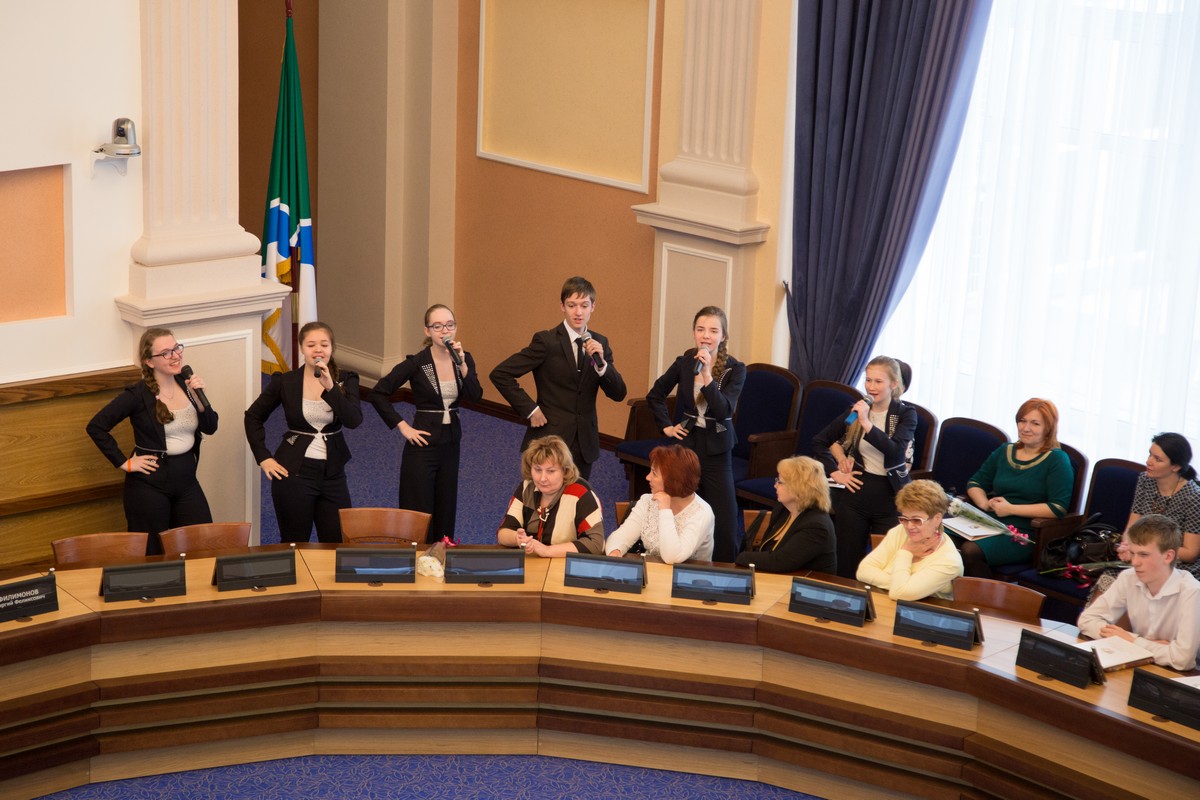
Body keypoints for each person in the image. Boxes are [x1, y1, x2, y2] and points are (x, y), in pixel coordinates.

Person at [87, 327, 217, 555]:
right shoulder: (137, 394)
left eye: (176, 348)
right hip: (149, 485)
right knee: (152, 551)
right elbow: (96, 426)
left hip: (186, 480)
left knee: (200, 544)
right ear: (149, 361)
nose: (175, 356)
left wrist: (199, 398)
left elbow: (211, 427)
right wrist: (124, 463)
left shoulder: (186, 384)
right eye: (166, 353)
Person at [489, 276, 627, 479]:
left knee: (577, 495)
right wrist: (530, 409)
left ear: (593, 307)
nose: (578, 312)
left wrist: (603, 366)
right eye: (572, 305)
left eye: (584, 305)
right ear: (562, 306)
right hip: (550, 439)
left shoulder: (600, 343)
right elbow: (500, 374)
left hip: (584, 443)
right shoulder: (546, 341)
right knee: (545, 496)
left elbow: (619, 393)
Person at [366, 304, 482, 543]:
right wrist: (402, 426)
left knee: (446, 505)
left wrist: (462, 365)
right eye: (437, 326)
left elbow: (475, 396)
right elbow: (378, 393)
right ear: (427, 331)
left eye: (449, 325)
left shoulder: (464, 358)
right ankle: (416, 555)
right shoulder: (418, 363)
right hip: (422, 445)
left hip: (451, 443)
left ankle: (441, 553)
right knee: (418, 509)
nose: (444, 331)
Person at [245, 321, 363, 543]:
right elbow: (253, 417)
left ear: (332, 348)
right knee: (295, 541)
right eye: (311, 345)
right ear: (301, 348)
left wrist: (331, 388)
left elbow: (353, 420)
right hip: (294, 473)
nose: (318, 350)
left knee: (337, 541)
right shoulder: (286, 381)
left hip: (333, 473)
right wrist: (263, 457)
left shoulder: (347, 379)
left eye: (324, 345)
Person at [646, 306, 746, 562]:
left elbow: (724, 410)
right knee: (679, 507)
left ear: (723, 336)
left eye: (713, 331)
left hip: (718, 447)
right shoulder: (685, 362)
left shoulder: (735, 369)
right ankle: (676, 558)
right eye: (701, 329)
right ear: (694, 333)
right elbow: (655, 394)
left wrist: (707, 375)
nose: (706, 336)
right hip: (687, 444)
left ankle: (725, 571)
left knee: (725, 519)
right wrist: (666, 426)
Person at [813, 355, 916, 578]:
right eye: (868, 380)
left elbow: (895, 451)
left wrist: (867, 423)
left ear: (893, 384)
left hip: (891, 497)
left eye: (878, 381)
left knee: (884, 566)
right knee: (846, 561)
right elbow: (820, 441)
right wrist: (835, 472)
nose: (871, 387)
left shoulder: (906, 414)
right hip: (857, 492)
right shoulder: (856, 411)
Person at [962, 398, 1073, 577]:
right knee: (936, 535)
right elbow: (975, 483)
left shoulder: (1057, 459)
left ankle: (979, 594)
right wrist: (984, 504)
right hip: (989, 522)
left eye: (1035, 423)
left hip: (1024, 533)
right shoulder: (1005, 450)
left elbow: (1057, 508)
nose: (1026, 428)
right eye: (1022, 421)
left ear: (1048, 428)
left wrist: (1011, 509)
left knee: (970, 550)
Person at [1078, 514, 1200, 671]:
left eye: (1144, 555)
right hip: (1144, 664)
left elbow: (1183, 659)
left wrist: (1132, 641)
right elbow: (1086, 620)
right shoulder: (1128, 577)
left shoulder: (1192, 591)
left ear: (1168, 556)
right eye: (1133, 553)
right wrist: (1134, 641)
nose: (1135, 562)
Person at [1089, 432, 1200, 601]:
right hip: (1140, 556)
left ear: (1176, 466)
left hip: (1173, 565)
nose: (1149, 461)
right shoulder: (1145, 480)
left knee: (1135, 588)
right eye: (1150, 454)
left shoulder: (1193, 496)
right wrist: (1127, 546)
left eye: (1157, 459)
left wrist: (1146, 552)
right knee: (1109, 581)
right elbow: (1131, 527)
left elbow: (1190, 553)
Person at [497, 435, 605, 557]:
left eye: (551, 471)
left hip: (566, 562)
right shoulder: (526, 488)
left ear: (565, 470)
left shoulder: (581, 493)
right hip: (532, 560)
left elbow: (596, 543)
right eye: (538, 470)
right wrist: (517, 538)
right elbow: (503, 533)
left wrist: (547, 551)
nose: (542, 478)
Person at [856, 479, 964, 601]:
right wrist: (901, 584)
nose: (909, 526)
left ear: (937, 519)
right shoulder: (900, 531)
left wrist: (905, 552)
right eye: (904, 519)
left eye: (916, 520)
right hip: (882, 601)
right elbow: (863, 571)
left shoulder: (949, 561)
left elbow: (899, 594)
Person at [605, 445, 714, 564]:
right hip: (652, 570)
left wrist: (665, 510)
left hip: (687, 574)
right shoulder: (648, 501)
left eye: (654, 473)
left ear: (673, 480)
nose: (647, 477)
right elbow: (620, 536)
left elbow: (672, 557)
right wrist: (615, 551)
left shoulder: (702, 513)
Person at [735, 456, 836, 574]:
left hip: (807, 583)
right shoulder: (783, 509)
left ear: (799, 488)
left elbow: (779, 562)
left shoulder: (817, 526)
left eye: (780, 482)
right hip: (779, 578)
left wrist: (742, 557)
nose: (775, 485)